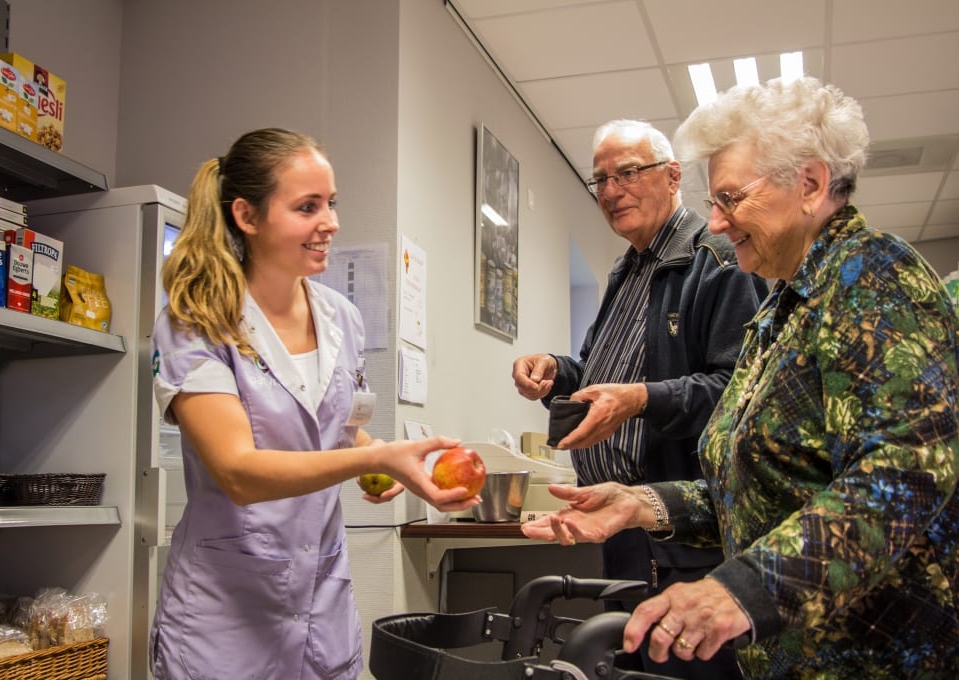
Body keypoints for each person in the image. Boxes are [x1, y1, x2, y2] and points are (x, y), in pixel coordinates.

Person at [522, 77, 959, 679]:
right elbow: (763, 485)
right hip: (786, 651)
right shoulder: (781, 311)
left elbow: (905, 477)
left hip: (871, 653)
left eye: (732, 199)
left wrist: (743, 589)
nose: (719, 223)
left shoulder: (872, 276)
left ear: (809, 184)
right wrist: (641, 503)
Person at [148, 128, 479, 680]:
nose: (331, 222)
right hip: (226, 610)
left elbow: (342, 428)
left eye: (331, 203)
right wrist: (372, 460)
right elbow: (238, 471)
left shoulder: (341, 316)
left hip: (320, 602)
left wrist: (391, 463)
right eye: (308, 207)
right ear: (247, 217)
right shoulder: (196, 321)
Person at [512, 119, 767, 678]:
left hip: (685, 534)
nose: (610, 191)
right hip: (622, 528)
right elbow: (605, 374)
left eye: (627, 173)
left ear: (673, 176)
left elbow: (739, 394)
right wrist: (558, 372)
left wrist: (640, 400)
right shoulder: (626, 271)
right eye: (599, 179)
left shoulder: (720, 261)